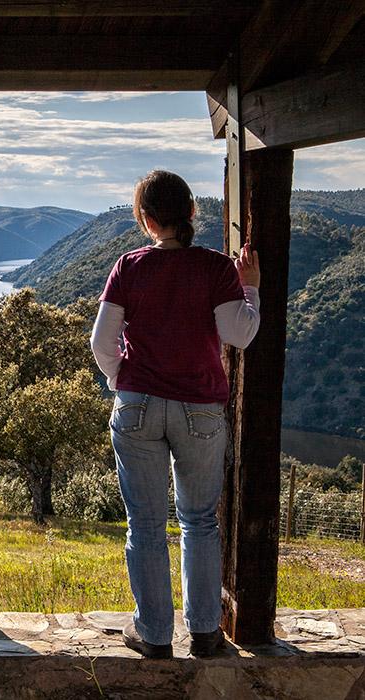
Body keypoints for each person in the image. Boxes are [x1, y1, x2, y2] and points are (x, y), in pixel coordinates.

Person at [90, 170, 261, 659]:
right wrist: (250, 288)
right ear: (191, 212)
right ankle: (205, 633)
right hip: (201, 409)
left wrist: (122, 378)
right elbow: (240, 334)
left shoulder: (128, 267)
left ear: (145, 220)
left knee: (144, 525)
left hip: (139, 406)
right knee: (199, 521)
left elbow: (102, 344)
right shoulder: (214, 268)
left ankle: (155, 635)